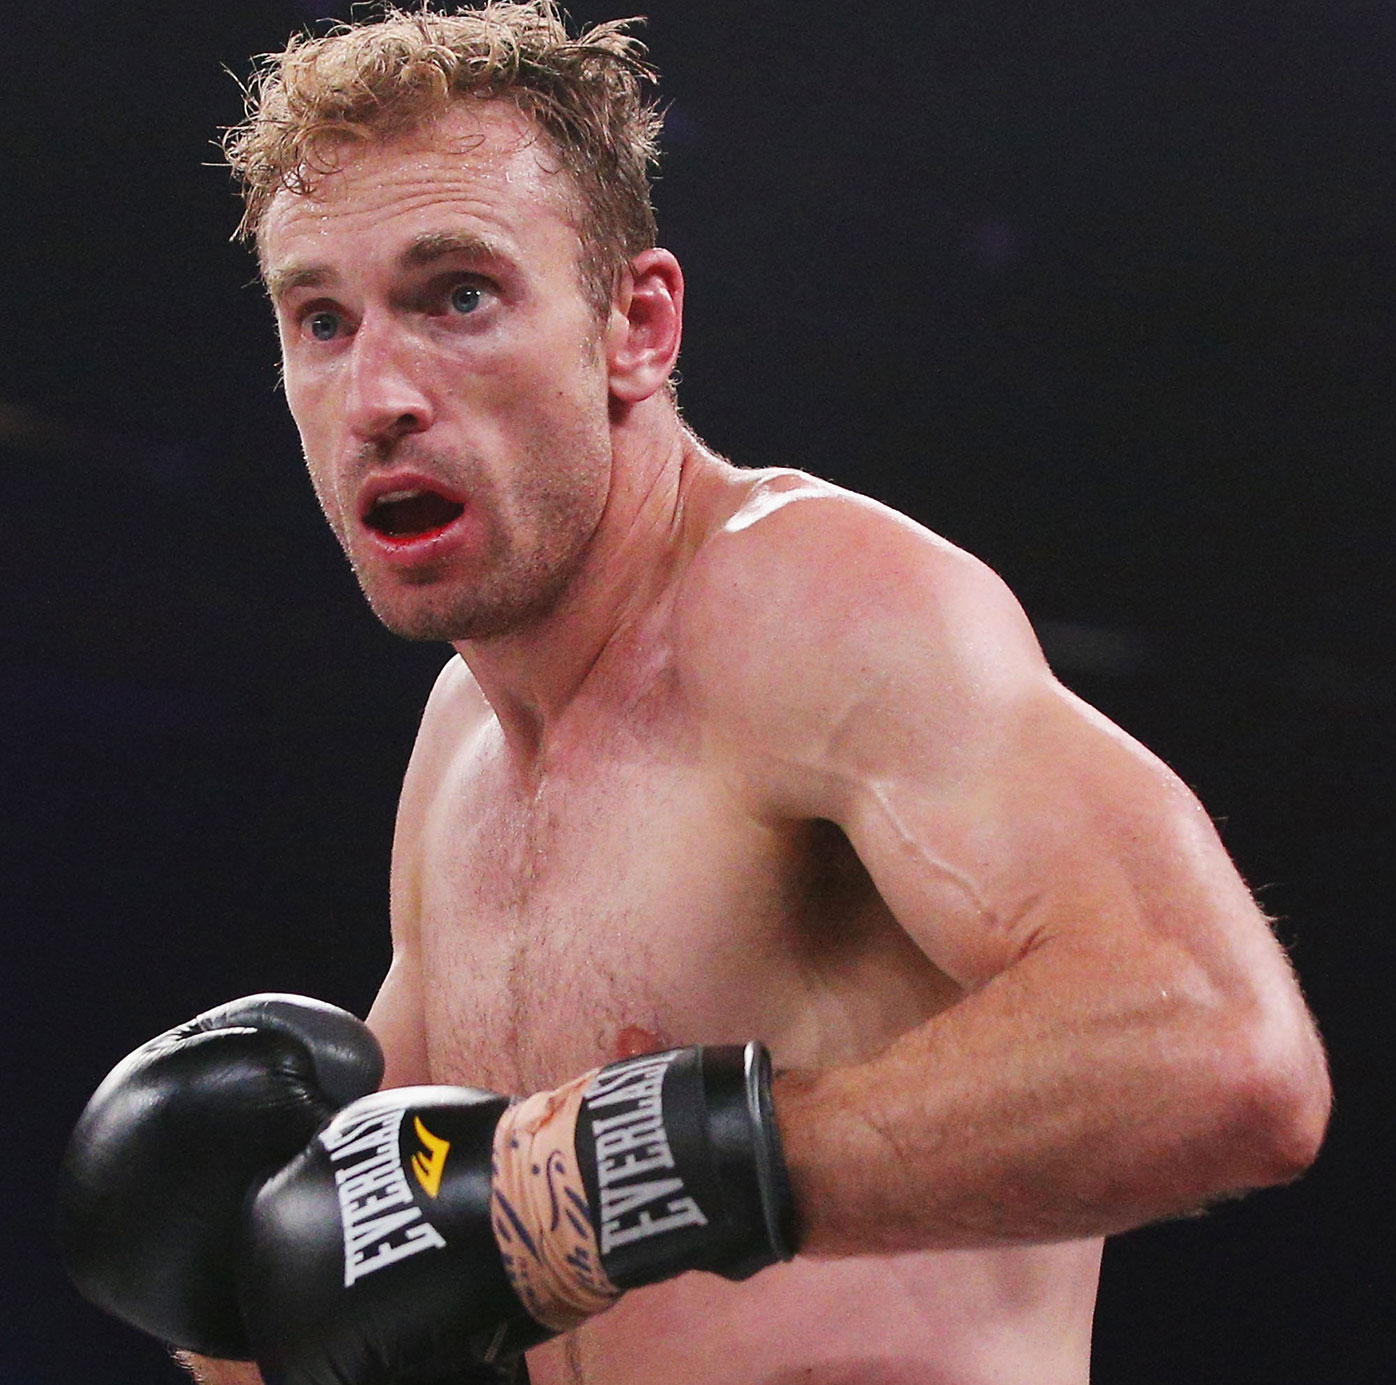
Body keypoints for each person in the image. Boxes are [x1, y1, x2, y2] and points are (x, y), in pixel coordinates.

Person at [58, 5, 1330, 1384]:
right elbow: (410, 1274)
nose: (377, 397)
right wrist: (231, 1292)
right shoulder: (460, 748)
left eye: (459, 295)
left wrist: (609, 1177)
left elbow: (1222, 1045)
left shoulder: (812, 607)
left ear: (636, 327)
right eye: (321, 319)